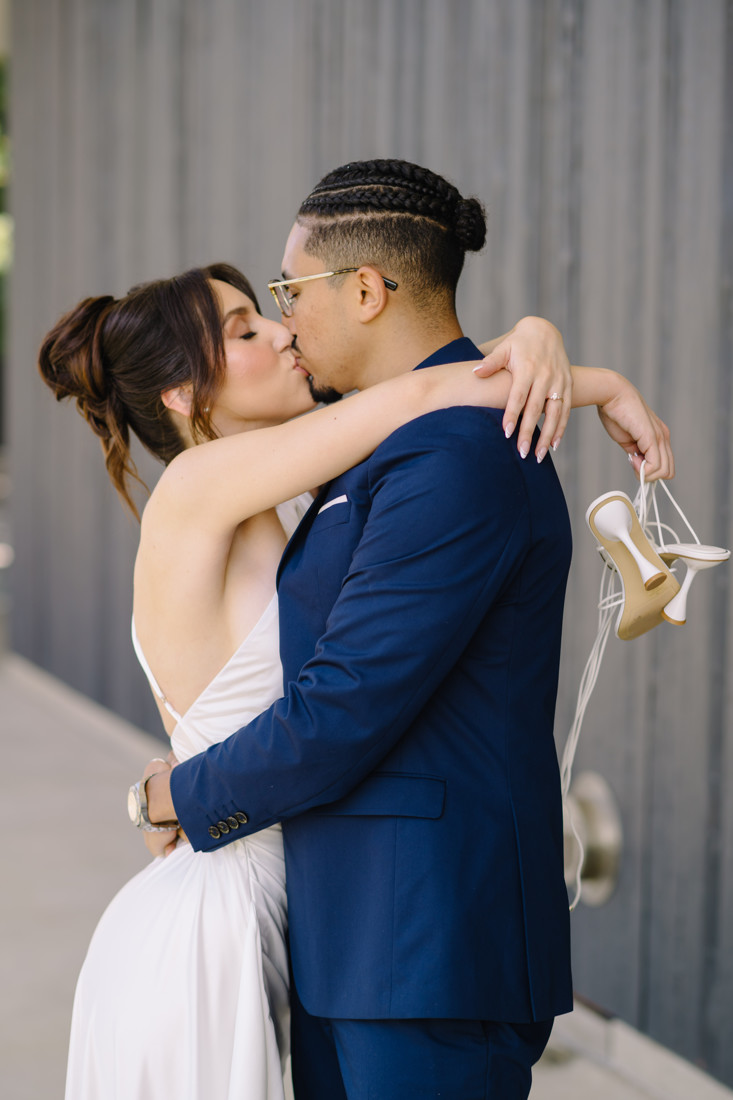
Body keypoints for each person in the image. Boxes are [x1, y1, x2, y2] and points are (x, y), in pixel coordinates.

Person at [141, 162, 674, 1100]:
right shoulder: (386, 436)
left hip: (427, 944)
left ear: (365, 290)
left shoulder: (456, 455)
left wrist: (176, 796)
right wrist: (557, 354)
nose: (284, 321)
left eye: (287, 293)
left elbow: (347, 701)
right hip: (362, 939)